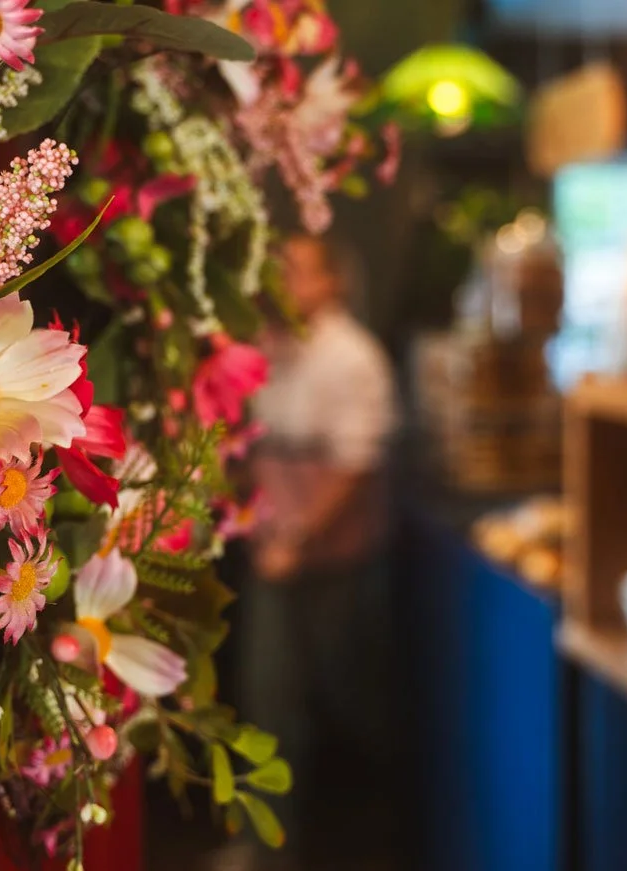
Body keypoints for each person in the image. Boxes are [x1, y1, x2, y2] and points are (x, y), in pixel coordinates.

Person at [221, 233, 398, 870]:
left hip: (333, 561)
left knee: (349, 695)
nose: (278, 281)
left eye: (294, 271)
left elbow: (354, 469)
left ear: (332, 284)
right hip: (276, 552)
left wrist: (299, 539)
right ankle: (271, 846)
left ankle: (380, 836)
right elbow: (256, 446)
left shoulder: (353, 358)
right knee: (268, 696)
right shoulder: (268, 347)